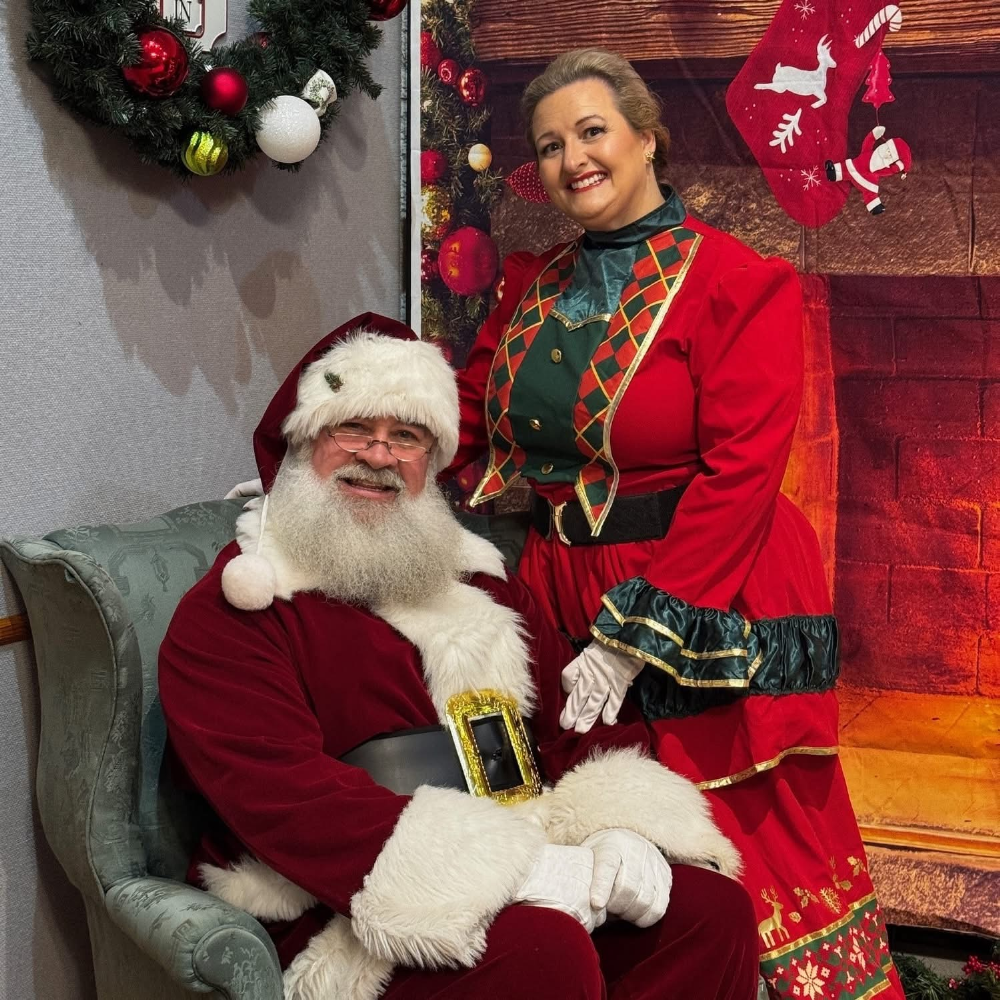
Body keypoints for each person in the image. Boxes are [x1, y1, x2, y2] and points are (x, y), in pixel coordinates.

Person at [447, 49, 904, 1000]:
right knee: (614, 846)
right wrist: (348, 462)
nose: (573, 158)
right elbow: (463, 414)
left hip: (710, 586)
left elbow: (743, 474)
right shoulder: (530, 286)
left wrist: (638, 634)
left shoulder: (738, 280)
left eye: (593, 131)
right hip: (562, 585)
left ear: (648, 138)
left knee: (750, 843)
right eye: (550, 145)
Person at [160, 314, 760, 1000]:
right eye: (352, 428)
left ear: (432, 460)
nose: (379, 456)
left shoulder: (487, 586)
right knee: (542, 952)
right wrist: (514, 872)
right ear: (303, 443)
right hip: (340, 903)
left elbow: (572, 731)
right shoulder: (235, 614)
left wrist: (621, 835)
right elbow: (288, 801)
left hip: (527, 841)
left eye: (407, 436)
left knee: (708, 915)